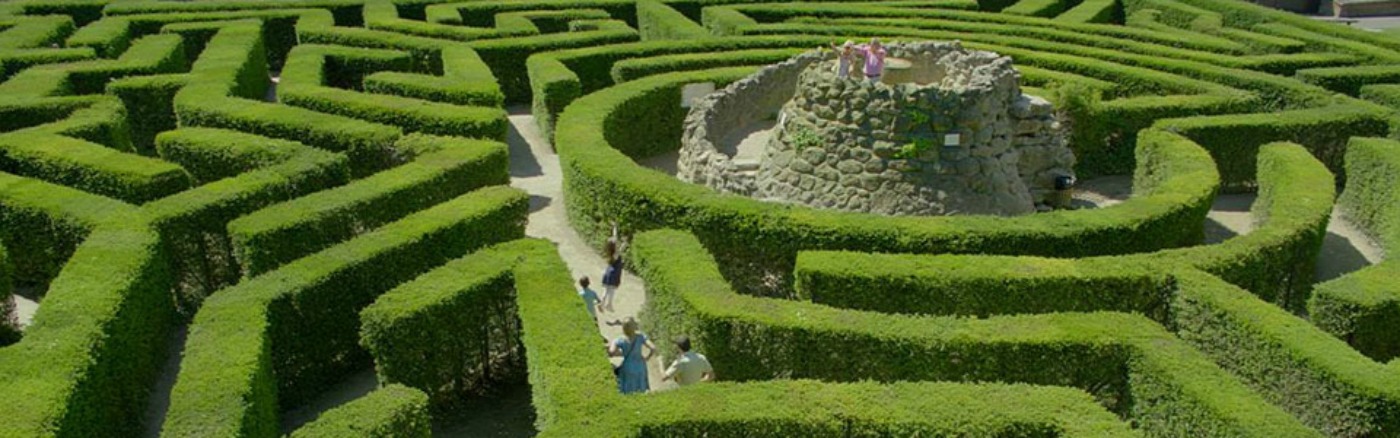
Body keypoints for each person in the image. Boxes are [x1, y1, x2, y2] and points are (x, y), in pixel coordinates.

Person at [608, 318, 655, 394]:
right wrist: (647, 358)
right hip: (640, 365)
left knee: (628, 392)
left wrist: (620, 352)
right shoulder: (641, 337)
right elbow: (653, 348)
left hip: (627, 366)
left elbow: (611, 352)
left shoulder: (620, 340)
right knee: (642, 389)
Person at [600, 222, 624, 313]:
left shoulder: (610, 252)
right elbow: (621, 249)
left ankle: (602, 303)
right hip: (614, 273)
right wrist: (625, 243)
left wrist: (615, 227)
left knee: (606, 289)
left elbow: (615, 236)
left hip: (608, 271)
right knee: (612, 290)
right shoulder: (615, 254)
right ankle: (609, 304)